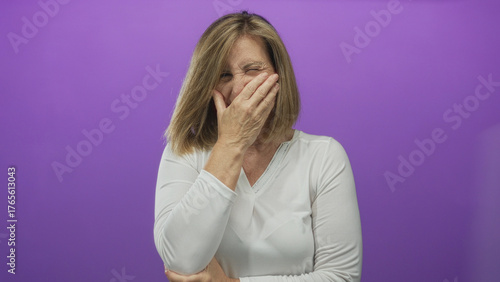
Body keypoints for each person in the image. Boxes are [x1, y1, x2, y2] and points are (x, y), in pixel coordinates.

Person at [153, 11, 362, 282]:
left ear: (279, 76)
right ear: (206, 86)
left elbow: (341, 277)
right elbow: (180, 260)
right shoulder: (184, 152)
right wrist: (231, 143)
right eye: (224, 75)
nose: (239, 88)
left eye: (252, 70)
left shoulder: (324, 157)